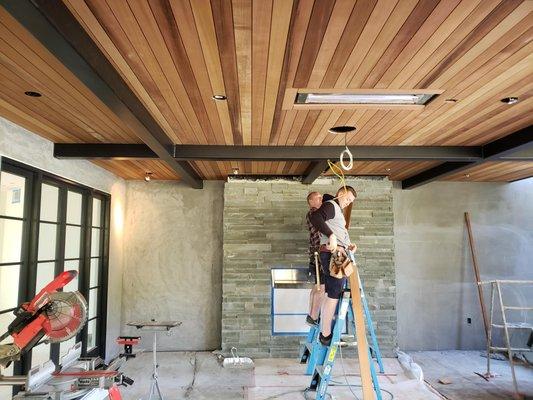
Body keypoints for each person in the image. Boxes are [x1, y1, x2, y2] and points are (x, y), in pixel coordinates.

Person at [309, 186, 357, 346]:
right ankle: (325, 334)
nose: (348, 203)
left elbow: (339, 232)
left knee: (334, 291)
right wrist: (331, 236)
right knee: (334, 292)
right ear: (341, 193)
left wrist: (349, 244)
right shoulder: (331, 205)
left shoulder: (336, 210)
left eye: (350, 202)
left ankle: (324, 329)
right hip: (334, 253)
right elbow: (315, 217)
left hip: (340, 252)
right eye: (347, 199)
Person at [305, 191, 325, 326]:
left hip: (315, 255)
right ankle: (313, 317)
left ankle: (311, 316)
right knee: (321, 288)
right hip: (319, 255)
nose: (321, 200)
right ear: (311, 202)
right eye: (318, 198)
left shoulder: (313, 214)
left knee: (316, 287)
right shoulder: (314, 213)